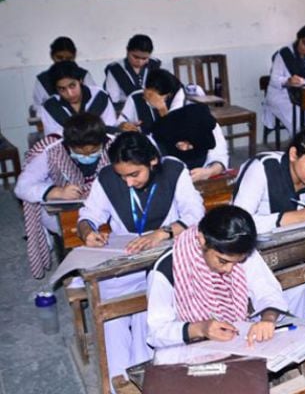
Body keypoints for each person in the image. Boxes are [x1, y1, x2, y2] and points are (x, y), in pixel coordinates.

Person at [76, 131, 205, 386]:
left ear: (152, 161)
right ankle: (119, 383)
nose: (127, 183)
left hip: (164, 258)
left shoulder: (174, 170)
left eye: (134, 174)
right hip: (126, 261)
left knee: (151, 321)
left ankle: (148, 383)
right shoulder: (107, 178)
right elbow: (89, 214)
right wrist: (88, 232)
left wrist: (164, 233)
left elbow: (195, 213)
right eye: (122, 176)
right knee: (112, 321)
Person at [147, 205, 288, 349]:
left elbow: (268, 292)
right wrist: (200, 329)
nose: (229, 269)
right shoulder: (168, 267)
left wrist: (268, 320)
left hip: (236, 344)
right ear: (202, 240)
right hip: (187, 352)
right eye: (222, 261)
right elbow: (156, 333)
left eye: (237, 263)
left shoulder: (238, 250)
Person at [233, 127, 305, 317]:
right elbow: (237, 223)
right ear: (294, 154)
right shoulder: (263, 168)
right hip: (256, 251)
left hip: (291, 247)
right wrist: (294, 217)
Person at [15, 113, 111, 279]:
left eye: (93, 151)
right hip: (65, 208)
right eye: (80, 152)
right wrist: (56, 192)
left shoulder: (114, 145)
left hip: (106, 205)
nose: (87, 156)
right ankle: (75, 272)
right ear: (69, 145)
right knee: (68, 226)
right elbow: (22, 187)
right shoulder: (53, 150)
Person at [118, 69, 228, 182]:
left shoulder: (195, 109)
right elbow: (118, 126)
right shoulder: (136, 99)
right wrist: (123, 126)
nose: (147, 98)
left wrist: (208, 172)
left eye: (153, 96)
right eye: (148, 94)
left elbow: (220, 155)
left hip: (199, 174)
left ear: (168, 97)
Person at [262, 24, 305, 133]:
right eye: (304, 43)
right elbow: (274, 79)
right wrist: (288, 80)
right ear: (298, 39)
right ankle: (301, 143)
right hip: (282, 95)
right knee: (297, 115)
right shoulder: (285, 54)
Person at [40, 61, 117, 137]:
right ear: (56, 89)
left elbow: (110, 131)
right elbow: (53, 139)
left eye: (72, 86)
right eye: (62, 89)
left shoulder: (100, 97)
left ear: (80, 81)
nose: (70, 93)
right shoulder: (50, 107)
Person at [32, 37, 96, 111]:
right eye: (59, 57)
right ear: (52, 56)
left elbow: (94, 100)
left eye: (69, 58)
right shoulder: (42, 80)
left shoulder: (84, 75)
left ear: (74, 56)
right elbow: (38, 110)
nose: (64, 62)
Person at [103, 34, 161, 109]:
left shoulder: (154, 65)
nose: (140, 62)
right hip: (124, 110)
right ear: (127, 50)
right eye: (135, 57)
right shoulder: (115, 69)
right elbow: (113, 99)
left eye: (144, 58)